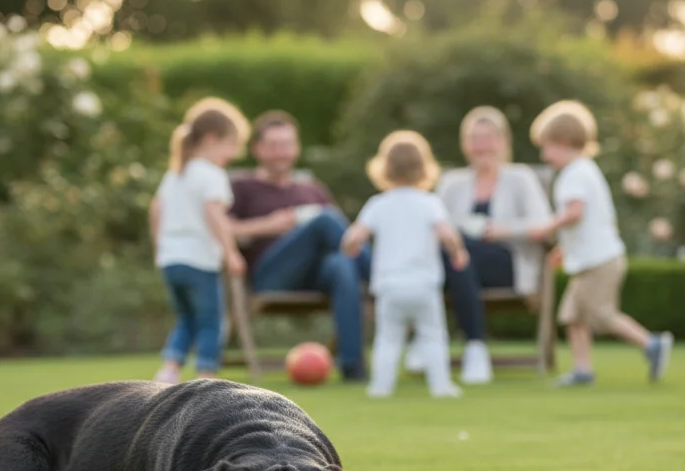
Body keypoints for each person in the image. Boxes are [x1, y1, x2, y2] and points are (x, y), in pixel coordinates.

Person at [528, 100, 672, 386]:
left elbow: (575, 212)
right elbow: (587, 222)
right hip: (593, 260)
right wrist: (563, 249)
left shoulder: (574, 174)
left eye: (547, 147)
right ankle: (583, 370)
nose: (545, 156)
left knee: (601, 315)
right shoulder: (585, 170)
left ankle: (652, 344)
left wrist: (547, 227)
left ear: (565, 142)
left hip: (599, 262)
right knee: (573, 316)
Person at [230, 111, 371, 381]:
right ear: (257, 149)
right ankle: (380, 277)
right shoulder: (242, 186)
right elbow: (223, 229)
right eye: (274, 146)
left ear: (296, 148)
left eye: (287, 145)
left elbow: (344, 240)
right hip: (272, 275)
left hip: (316, 275)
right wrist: (268, 225)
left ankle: (353, 368)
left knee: (342, 264)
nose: (281, 152)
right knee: (325, 219)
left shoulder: (312, 188)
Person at [425, 106, 554, 384]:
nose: (481, 145)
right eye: (474, 138)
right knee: (459, 254)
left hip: (505, 262)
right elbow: (434, 227)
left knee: (463, 253)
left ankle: (449, 344)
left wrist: (499, 230)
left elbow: (543, 225)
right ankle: (475, 347)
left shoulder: (521, 178)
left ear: (503, 141)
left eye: (488, 137)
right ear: (465, 144)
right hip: (458, 266)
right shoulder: (451, 182)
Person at [342, 132, 469, 399]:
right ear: (425, 167)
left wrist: (350, 249)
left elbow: (354, 237)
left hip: (390, 285)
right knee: (433, 335)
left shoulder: (378, 204)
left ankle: (381, 387)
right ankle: (441, 386)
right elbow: (447, 234)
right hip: (424, 284)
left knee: (388, 338)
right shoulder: (430, 203)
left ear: (384, 168)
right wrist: (458, 253)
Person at [150, 98, 249, 384]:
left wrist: (160, 247)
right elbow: (214, 213)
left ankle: (169, 369)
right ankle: (207, 374)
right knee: (210, 320)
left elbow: (157, 208)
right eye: (230, 145)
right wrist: (231, 252)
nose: (232, 153)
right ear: (211, 139)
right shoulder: (212, 175)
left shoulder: (176, 174)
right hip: (199, 259)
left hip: (171, 259)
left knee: (186, 317)